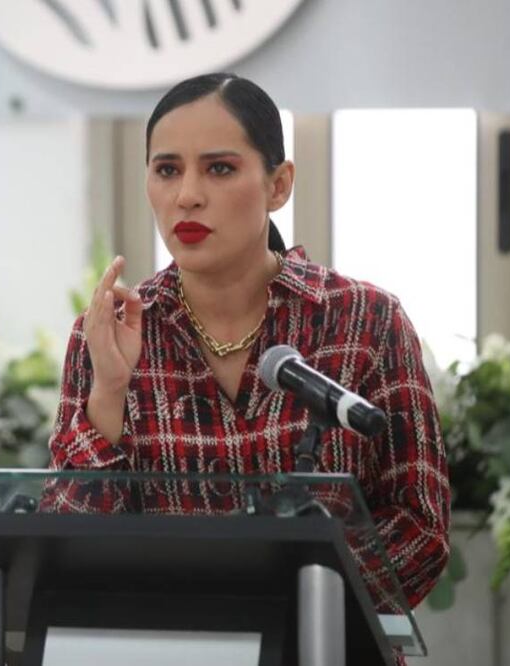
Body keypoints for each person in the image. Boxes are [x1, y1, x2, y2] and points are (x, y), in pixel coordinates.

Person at [46, 72, 450, 610]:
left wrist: (278, 607)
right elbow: (67, 545)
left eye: (219, 168)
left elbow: (420, 529)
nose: (187, 196)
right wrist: (110, 395)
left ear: (279, 184)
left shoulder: (365, 321)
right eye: (167, 170)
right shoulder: (107, 331)